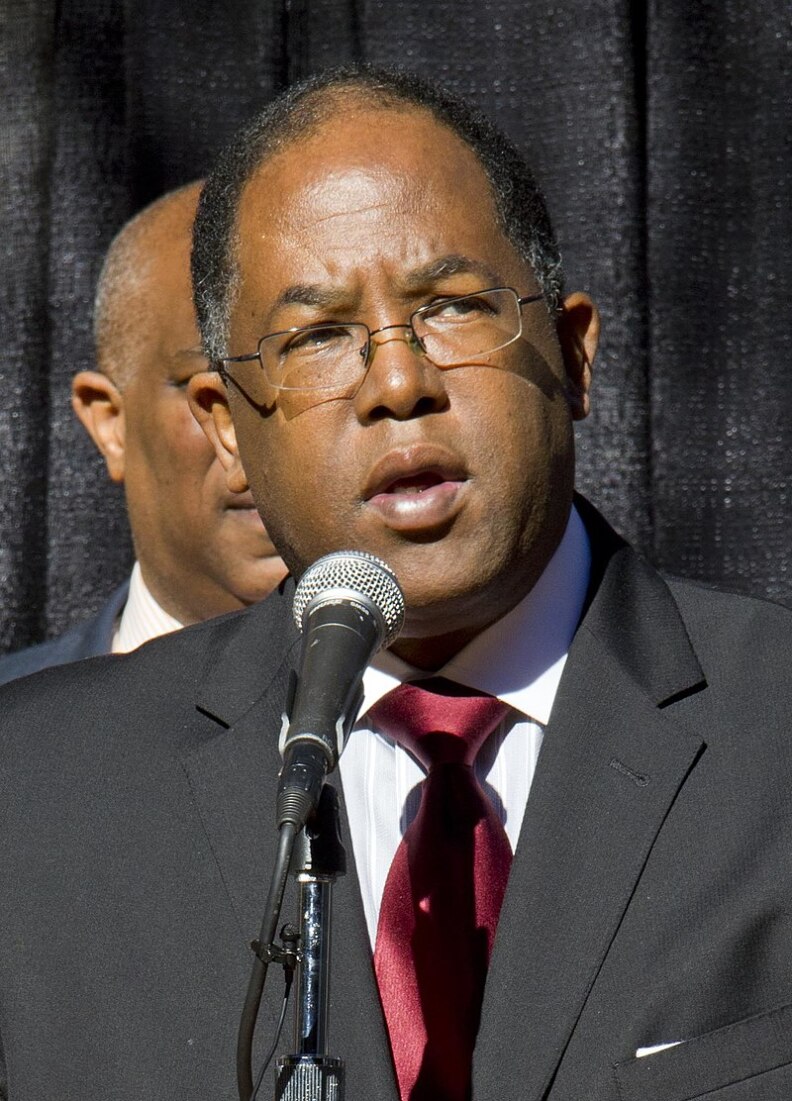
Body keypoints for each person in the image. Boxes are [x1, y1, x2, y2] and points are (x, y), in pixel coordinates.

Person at [1, 65, 791, 1101]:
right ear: (228, 431)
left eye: (454, 306)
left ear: (574, 354)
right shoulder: (37, 798)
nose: (399, 383)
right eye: (318, 336)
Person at [0, 183, 287, 686]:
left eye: (318, 359)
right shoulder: (14, 737)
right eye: (215, 385)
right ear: (111, 422)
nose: (269, 427)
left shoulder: (447, 741)